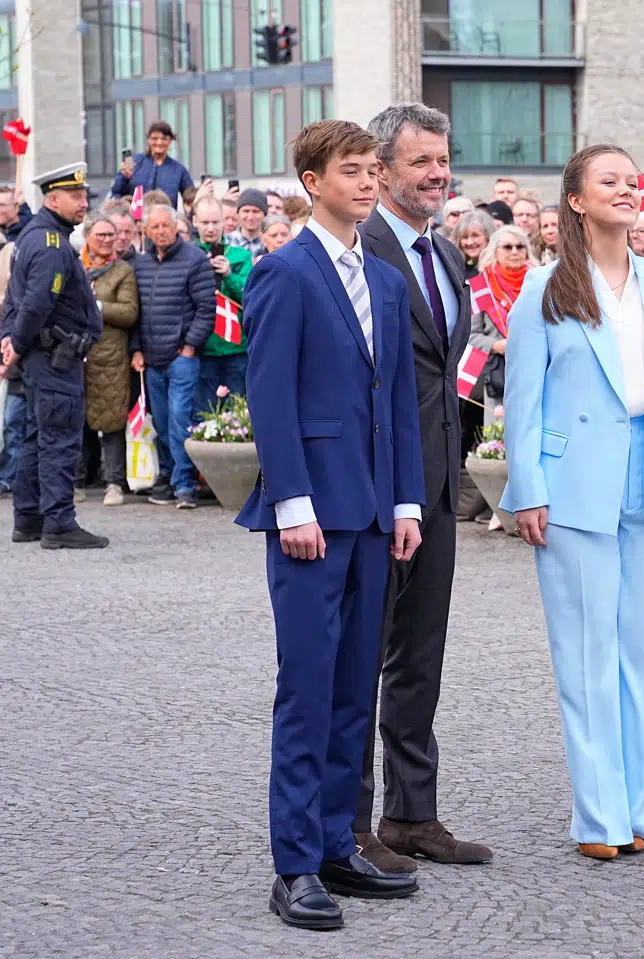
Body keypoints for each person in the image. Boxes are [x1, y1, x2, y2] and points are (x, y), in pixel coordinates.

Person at [237, 119, 425, 931]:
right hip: (312, 514)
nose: (368, 183)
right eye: (351, 171)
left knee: (356, 687)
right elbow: (269, 398)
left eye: (372, 170)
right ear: (313, 181)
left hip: (377, 511)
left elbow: (397, 405)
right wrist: (292, 505)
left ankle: (338, 843)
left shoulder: (383, 278)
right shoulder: (284, 272)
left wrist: (408, 502)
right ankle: (294, 863)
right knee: (307, 691)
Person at [499, 143, 644, 860]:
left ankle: (641, 809)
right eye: (609, 181)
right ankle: (599, 817)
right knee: (587, 653)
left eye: (632, 180)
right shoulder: (544, 288)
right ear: (577, 200)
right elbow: (521, 401)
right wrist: (526, 488)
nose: (626, 189)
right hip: (574, 483)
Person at [351, 103, 489, 871]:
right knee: (360, 659)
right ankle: (355, 824)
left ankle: (412, 813)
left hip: (437, 486)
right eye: (421, 163)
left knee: (420, 656)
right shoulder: (360, 247)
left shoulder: (444, 254)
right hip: (373, 492)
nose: (438, 174)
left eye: (443, 160)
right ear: (381, 168)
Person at [0, 162, 108, 547]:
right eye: (76, 197)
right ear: (52, 199)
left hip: (41, 357)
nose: (83, 203)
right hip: (53, 358)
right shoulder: (49, 244)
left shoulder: (39, 236)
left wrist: (12, 342)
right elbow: (34, 304)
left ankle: (28, 519)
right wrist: (16, 343)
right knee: (59, 439)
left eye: (83, 196)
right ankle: (59, 524)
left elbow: (17, 301)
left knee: (35, 437)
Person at [129, 202, 215, 510]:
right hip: (152, 359)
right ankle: (167, 476)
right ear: (146, 230)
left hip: (182, 357)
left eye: (166, 225)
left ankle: (184, 485)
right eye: (155, 227)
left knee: (181, 420)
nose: (161, 231)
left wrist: (190, 346)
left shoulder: (195, 260)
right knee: (162, 423)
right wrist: (136, 349)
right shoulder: (140, 264)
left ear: (176, 226)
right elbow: (135, 312)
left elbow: (207, 309)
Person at [78, 214, 138, 507]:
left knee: (112, 420)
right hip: (78, 354)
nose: (105, 240)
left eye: (110, 235)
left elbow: (129, 312)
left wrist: (97, 305)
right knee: (75, 418)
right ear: (87, 236)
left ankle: (114, 482)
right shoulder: (76, 266)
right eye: (100, 235)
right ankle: (77, 480)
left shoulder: (122, 270)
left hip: (110, 356)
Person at [192, 197, 253, 407]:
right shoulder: (188, 256)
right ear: (195, 222)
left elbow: (250, 297)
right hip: (202, 348)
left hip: (236, 348)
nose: (210, 228)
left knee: (236, 412)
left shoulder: (240, 256)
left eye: (215, 222)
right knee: (204, 413)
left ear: (225, 222)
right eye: (205, 222)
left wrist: (229, 274)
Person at [110, 121, 195, 207]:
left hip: (165, 218)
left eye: (164, 138)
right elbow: (116, 193)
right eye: (155, 138)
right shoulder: (136, 162)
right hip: (136, 218)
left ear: (170, 141)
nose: (159, 142)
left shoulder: (178, 169)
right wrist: (124, 178)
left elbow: (190, 198)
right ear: (148, 140)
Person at [227, 189, 269, 259]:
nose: (250, 217)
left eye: (255, 211)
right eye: (246, 211)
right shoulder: (228, 241)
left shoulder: (270, 241)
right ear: (238, 213)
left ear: (264, 214)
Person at [453, 210, 494, 277]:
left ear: (488, 236)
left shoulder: (496, 269)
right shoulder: (459, 271)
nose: (469, 242)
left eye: (475, 236)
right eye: (465, 237)